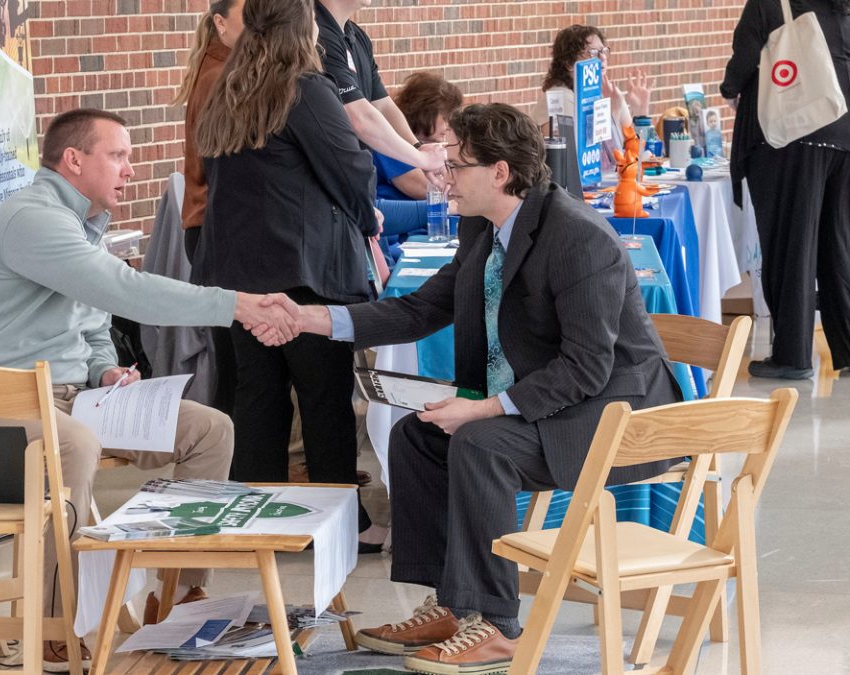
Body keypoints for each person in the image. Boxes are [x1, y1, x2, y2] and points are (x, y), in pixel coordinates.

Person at [290, 103, 681, 673]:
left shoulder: (578, 237)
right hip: (555, 405)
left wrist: (488, 409)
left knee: (479, 442)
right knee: (416, 436)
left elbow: (588, 368)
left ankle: (498, 626)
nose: (442, 175)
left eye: (455, 163)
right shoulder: (484, 226)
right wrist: (315, 320)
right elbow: (425, 307)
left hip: (612, 416)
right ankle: (452, 606)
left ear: (500, 172)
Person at [0, 108, 299, 672]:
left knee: (209, 429)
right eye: (119, 155)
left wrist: (105, 370)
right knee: (75, 444)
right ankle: (57, 625)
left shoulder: (82, 224)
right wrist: (234, 304)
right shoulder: (34, 219)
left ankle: (179, 599)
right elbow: (124, 290)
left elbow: (90, 324)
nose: (130, 170)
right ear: (74, 160)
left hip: (69, 397)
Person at [194, 0, 387, 551]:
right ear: (301, 31)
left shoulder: (227, 88)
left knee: (259, 398)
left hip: (237, 274)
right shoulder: (304, 87)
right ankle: (338, 526)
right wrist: (365, 213)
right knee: (324, 400)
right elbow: (350, 166)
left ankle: (262, 524)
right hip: (306, 276)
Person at [722, 0, 850, 379]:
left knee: (791, 247)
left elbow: (743, 60)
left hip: (791, 138)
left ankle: (792, 355)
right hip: (843, 134)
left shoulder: (768, 3)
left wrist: (729, 87)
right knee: (837, 246)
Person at [173, 0, 244, 415]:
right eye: (247, 16)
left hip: (210, 231)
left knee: (234, 366)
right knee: (238, 368)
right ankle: (235, 465)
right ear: (219, 23)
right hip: (216, 231)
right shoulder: (224, 77)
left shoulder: (220, 68)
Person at [314, 0, 446, 181]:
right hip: (323, 182)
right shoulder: (317, 36)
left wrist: (417, 147)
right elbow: (358, 117)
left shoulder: (357, 36)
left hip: (354, 184)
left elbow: (382, 105)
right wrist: (421, 159)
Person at [533, 24, 652, 172]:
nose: (602, 58)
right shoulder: (559, 98)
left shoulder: (607, 93)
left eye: (603, 51)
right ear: (569, 63)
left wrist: (641, 113)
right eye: (593, 53)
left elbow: (637, 154)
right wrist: (612, 115)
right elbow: (584, 160)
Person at [374, 71, 464, 264]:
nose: (449, 126)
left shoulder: (427, 147)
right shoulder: (391, 144)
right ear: (425, 111)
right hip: (397, 239)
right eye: (446, 117)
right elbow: (426, 188)